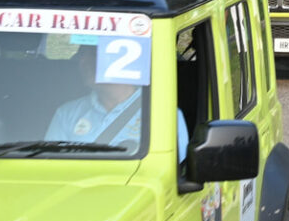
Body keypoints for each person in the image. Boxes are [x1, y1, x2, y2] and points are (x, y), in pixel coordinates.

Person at [45, 45, 188, 159]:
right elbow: (51, 163)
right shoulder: (67, 113)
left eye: (94, 54)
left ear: (121, 60)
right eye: (81, 55)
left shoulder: (163, 114)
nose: (82, 62)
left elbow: (170, 172)